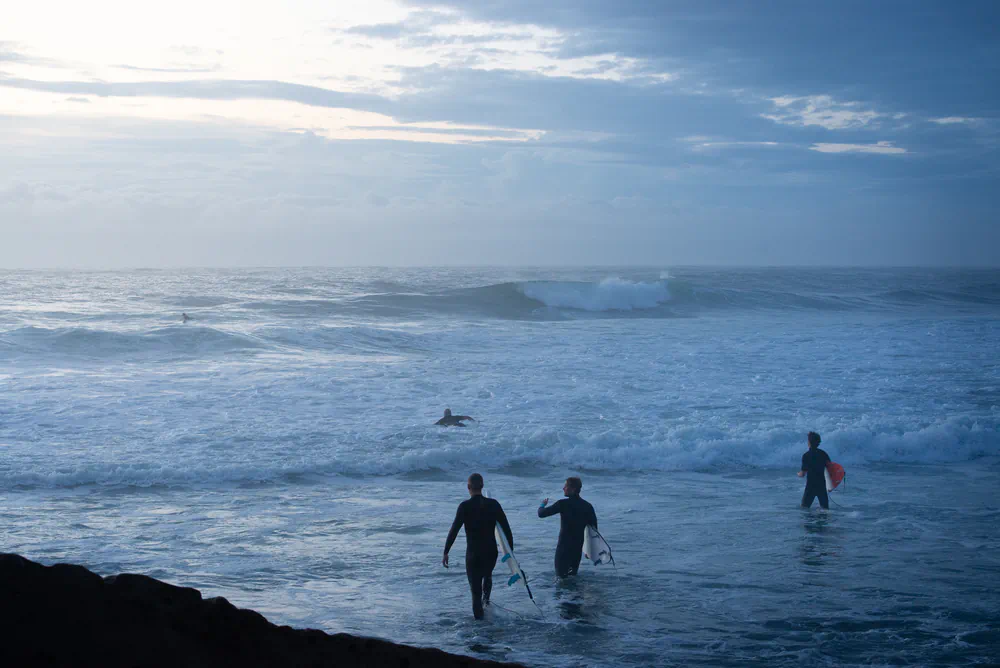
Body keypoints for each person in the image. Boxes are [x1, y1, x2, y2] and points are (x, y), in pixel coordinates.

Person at [442, 473, 513, 620]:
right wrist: (511, 553)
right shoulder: (494, 504)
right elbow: (506, 530)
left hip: (473, 554)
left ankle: (480, 631)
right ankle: (486, 604)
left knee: (475, 592)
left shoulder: (464, 506)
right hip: (491, 553)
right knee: (487, 575)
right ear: (482, 486)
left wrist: (446, 551)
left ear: (468, 487)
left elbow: (454, 530)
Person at [537, 476, 598, 577]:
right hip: (577, 549)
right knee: (572, 579)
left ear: (572, 489)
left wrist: (542, 505)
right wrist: (590, 550)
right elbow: (594, 531)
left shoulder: (562, 504)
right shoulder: (588, 506)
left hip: (563, 549)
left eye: (565, 486)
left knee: (561, 579)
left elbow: (541, 514)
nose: (563, 488)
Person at [798, 431, 831, 509]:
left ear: (809, 442)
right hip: (822, 486)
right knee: (825, 510)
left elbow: (803, 474)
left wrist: (798, 474)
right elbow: (830, 469)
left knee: (804, 509)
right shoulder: (823, 454)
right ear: (818, 442)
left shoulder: (806, 455)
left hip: (811, 486)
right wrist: (831, 485)